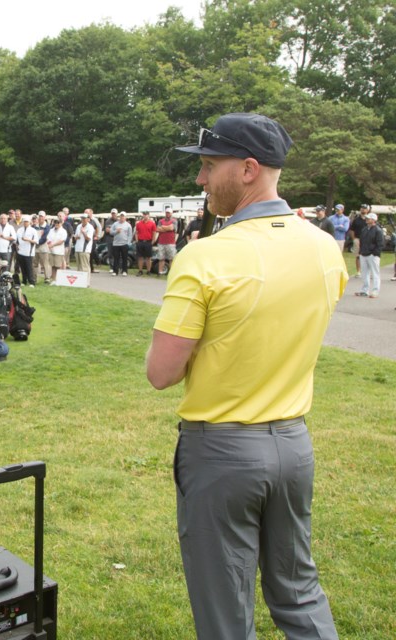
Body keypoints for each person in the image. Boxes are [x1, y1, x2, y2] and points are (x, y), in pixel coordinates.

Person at [147, 112, 343, 640]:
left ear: (249, 169)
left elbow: (161, 372)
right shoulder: (325, 247)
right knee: (299, 591)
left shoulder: (206, 256)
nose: (201, 179)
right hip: (293, 444)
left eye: (210, 166)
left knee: (225, 611)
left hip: (223, 450)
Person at [355, 212, 384, 298]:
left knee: (375, 273)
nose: (367, 219)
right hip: (363, 253)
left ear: (374, 220)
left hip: (372, 255)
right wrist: (361, 252)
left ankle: (375, 291)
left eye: (369, 218)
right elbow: (362, 241)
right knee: (364, 273)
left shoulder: (378, 230)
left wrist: (375, 253)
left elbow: (380, 244)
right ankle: (364, 290)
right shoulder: (364, 229)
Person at [16, 214, 39, 287]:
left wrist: (28, 240)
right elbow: (17, 240)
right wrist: (17, 246)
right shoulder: (19, 230)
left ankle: (31, 282)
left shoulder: (33, 231)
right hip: (20, 252)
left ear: (29, 222)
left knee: (29, 268)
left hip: (29, 252)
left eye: (27, 222)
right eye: (24, 221)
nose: (25, 223)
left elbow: (36, 241)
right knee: (22, 268)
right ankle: (24, 281)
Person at [45, 217, 68, 283]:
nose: (56, 224)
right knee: (53, 266)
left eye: (58, 222)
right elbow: (48, 238)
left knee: (58, 266)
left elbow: (61, 241)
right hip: (51, 251)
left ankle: (59, 280)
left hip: (59, 251)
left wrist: (52, 245)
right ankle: (53, 279)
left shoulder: (63, 231)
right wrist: (49, 243)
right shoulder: (51, 230)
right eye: (55, 222)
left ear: (61, 223)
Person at [155, 206, 177, 276]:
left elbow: (172, 228)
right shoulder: (161, 221)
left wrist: (163, 227)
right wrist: (167, 228)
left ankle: (172, 273)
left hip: (170, 242)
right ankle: (160, 272)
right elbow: (157, 229)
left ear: (171, 213)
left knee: (171, 258)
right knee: (161, 258)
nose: (167, 214)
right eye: (167, 213)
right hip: (161, 242)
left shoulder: (174, 221)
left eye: (169, 213)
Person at [133, 211, 156, 276]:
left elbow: (154, 232)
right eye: (144, 214)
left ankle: (148, 271)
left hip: (148, 242)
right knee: (140, 257)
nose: (145, 216)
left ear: (148, 215)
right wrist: (137, 241)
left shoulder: (152, 223)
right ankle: (140, 271)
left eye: (146, 215)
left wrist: (153, 241)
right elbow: (136, 232)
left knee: (148, 258)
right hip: (140, 241)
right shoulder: (138, 224)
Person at [33, 211, 52, 283]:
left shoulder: (47, 227)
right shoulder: (35, 226)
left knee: (45, 264)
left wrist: (37, 243)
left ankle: (47, 278)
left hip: (44, 248)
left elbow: (45, 238)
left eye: (42, 216)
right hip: (35, 248)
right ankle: (34, 278)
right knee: (34, 264)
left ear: (45, 217)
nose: (40, 218)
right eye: (39, 216)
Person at [349, 205, 368, 277]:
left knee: (367, 256)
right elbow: (352, 230)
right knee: (358, 256)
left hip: (367, 240)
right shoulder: (356, 220)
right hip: (357, 239)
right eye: (362, 208)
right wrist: (354, 239)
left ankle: (367, 271)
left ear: (367, 210)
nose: (363, 210)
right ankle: (358, 271)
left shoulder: (369, 219)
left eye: (364, 209)